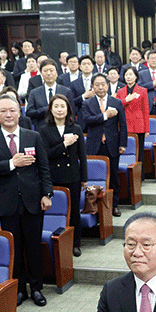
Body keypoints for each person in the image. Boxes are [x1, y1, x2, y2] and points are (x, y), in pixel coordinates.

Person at [0, 92, 53, 305]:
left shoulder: (33, 136)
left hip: (33, 200)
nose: (8, 114)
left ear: (20, 112)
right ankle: (19, 288)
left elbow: (44, 168)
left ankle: (37, 289)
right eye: (3, 111)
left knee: (33, 246)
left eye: (12, 110)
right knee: (15, 248)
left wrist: (47, 194)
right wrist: (11, 164)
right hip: (7, 202)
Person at [40, 94, 86, 258]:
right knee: (54, 210)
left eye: (63, 106)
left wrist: (84, 178)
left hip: (72, 176)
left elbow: (82, 156)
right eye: (56, 106)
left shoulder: (76, 129)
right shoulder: (44, 130)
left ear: (68, 110)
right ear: (51, 110)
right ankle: (55, 240)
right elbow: (44, 155)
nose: (60, 110)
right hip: (52, 177)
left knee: (74, 211)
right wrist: (64, 145)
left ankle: (75, 244)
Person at [80, 73, 126, 217]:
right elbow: (87, 120)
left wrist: (123, 144)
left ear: (108, 85)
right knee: (94, 176)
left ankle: (114, 205)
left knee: (113, 176)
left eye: (103, 84)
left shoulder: (116, 102)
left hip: (112, 144)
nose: (100, 87)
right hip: (94, 144)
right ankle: (94, 205)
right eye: (97, 84)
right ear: (92, 86)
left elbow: (123, 125)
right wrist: (105, 116)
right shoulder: (87, 103)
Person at [25, 58, 74, 129]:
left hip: (62, 129)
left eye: (51, 70)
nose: (48, 73)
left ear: (56, 73)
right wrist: (47, 109)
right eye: (45, 71)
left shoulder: (66, 91)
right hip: (42, 130)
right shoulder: (34, 92)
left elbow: (71, 113)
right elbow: (29, 112)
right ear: (41, 73)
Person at [117, 66, 149, 163]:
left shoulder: (142, 90)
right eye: (126, 75)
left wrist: (147, 129)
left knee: (139, 152)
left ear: (136, 77)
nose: (128, 77)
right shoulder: (120, 91)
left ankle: (140, 176)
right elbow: (117, 107)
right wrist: (126, 101)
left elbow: (146, 111)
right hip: (124, 124)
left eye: (131, 74)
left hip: (138, 125)